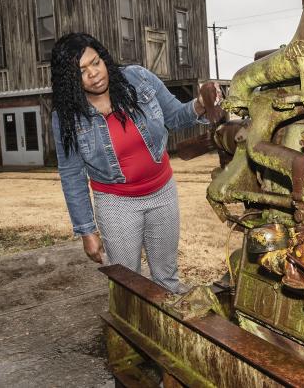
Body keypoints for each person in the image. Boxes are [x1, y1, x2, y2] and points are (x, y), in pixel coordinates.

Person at [49, 32, 217, 293]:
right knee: (128, 284)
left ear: (103, 58)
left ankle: (168, 330)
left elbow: (174, 117)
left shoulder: (138, 79)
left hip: (162, 194)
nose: (93, 73)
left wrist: (200, 104)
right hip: (117, 204)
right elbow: (72, 174)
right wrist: (87, 232)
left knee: (167, 279)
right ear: (70, 79)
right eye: (82, 71)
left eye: (95, 62)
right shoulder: (67, 116)